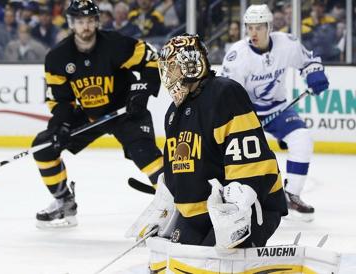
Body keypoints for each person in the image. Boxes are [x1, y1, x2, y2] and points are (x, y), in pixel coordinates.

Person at [126, 34, 287, 252]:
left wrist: (237, 206)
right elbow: (178, 169)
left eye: (173, 67)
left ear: (191, 65)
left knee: (211, 265)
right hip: (200, 214)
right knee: (170, 263)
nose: (168, 75)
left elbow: (251, 160)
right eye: (166, 68)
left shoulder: (224, 94)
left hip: (248, 206)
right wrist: (166, 207)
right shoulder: (173, 113)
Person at [32, 0, 163, 229]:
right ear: (72, 23)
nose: (86, 27)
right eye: (80, 22)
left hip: (125, 111)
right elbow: (61, 100)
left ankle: (177, 204)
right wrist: (60, 126)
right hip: (91, 114)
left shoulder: (116, 45)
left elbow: (153, 61)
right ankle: (64, 202)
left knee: (146, 154)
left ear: (97, 22)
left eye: (90, 21)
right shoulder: (58, 57)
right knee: (44, 146)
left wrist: (140, 92)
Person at [219, 4, 329, 221]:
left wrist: (314, 74)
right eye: (249, 27)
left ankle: (292, 196)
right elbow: (228, 93)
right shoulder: (237, 56)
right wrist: (242, 120)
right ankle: (230, 197)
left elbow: (309, 61)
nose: (253, 33)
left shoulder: (287, 44)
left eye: (259, 27)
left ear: (269, 27)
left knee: (302, 139)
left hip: (279, 109)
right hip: (246, 114)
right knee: (237, 157)